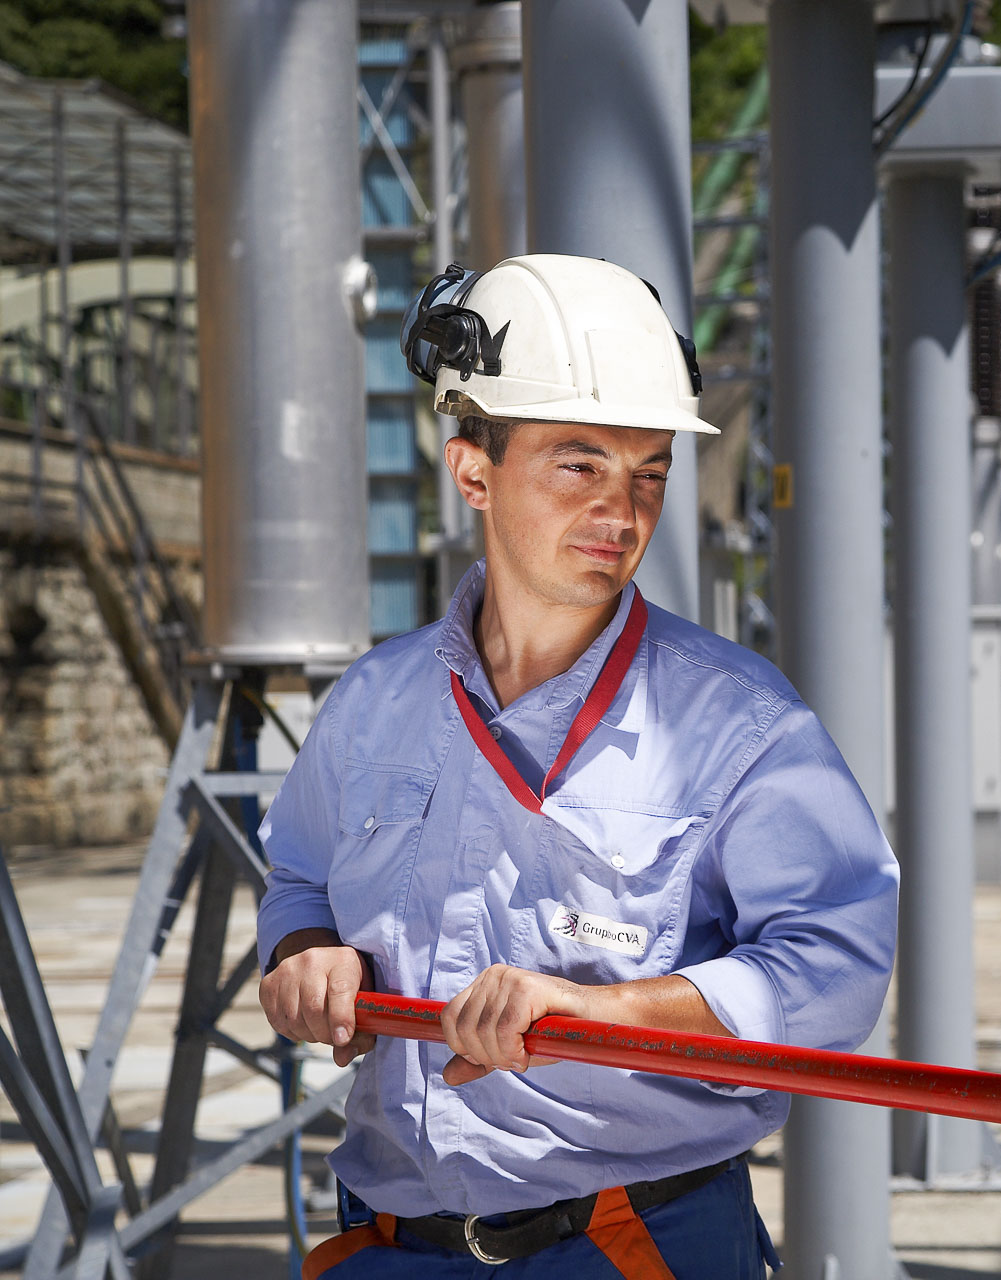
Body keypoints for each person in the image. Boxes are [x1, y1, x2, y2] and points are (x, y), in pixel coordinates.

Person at [256, 254, 899, 1279]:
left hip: (631, 1241)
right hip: (391, 1239)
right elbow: (297, 872)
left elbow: (833, 968)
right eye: (579, 464)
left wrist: (599, 1013)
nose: (623, 509)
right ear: (473, 467)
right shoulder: (374, 703)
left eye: (649, 472)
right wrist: (305, 947)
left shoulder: (739, 724)